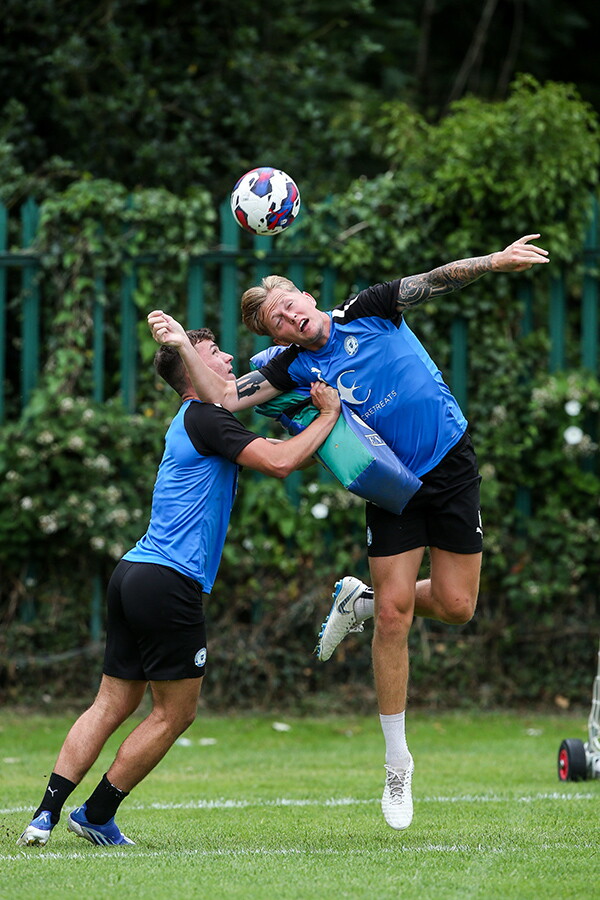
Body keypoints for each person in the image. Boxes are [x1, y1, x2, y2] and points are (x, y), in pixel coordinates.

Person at [147, 233, 549, 832]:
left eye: (287, 304)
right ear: (277, 339)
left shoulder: (369, 309)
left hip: (451, 463)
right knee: (396, 617)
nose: (286, 318)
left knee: (458, 605)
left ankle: (355, 603)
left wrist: (496, 259)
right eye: (273, 323)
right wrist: (182, 343)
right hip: (390, 483)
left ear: (308, 298)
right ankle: (396, 763)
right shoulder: (289, 368)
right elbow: (225, 399)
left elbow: (435, 277)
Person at [18, 327, 340, 848]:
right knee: (176, 712)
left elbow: (288, 453)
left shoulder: (198, 420)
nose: (231, 356)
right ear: (193, 369)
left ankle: (44, 816)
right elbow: (281, 463)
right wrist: (328, 415)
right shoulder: (208, 417)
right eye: (215, 353)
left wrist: (319, 432)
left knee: (110, 704)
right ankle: (96, 814)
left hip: (133, 574)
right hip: (168, 582)